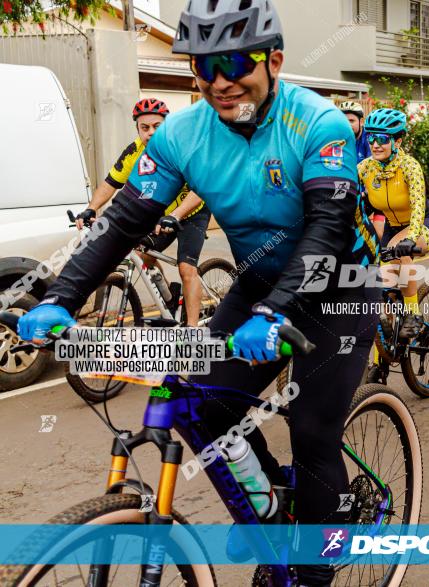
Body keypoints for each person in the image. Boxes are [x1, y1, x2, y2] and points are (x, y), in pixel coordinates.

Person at [18, 1, 379, 584]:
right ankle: (267, 502)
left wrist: (276, 311)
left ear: (275, 60)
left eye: (234, 61)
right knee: (201, 401)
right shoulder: (183, 134)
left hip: (339, 289)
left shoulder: (319, 124)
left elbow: (327, 232)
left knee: (311, 431)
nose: (218, 81)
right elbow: (124, 221)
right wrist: (59, 295)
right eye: (203, 66)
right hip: (260, 287)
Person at [74, 98, 210, 326]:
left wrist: (176, 215)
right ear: (137, 128)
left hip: (193, 210)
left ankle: (192, 331)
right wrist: (91, 208)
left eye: (157, 126)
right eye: (144, 127)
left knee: (186, 268)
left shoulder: (183, 148)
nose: (150, 132)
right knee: (142, 253)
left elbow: (202, 188)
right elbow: (111, 182)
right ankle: (168, 298)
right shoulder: (134, 152)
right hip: (161, 214)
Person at [357, 108, 429, 346]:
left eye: (382, 139)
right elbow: (351, 202)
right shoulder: (366, 168)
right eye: (370, 138)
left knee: (399, 251)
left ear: (397, 140)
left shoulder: (409, 166)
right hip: (392, 227)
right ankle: (381, 361)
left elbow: (417, 207)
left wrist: (411, 237)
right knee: (379, 282)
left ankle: (414, 314)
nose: (375, 144)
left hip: (425, 222)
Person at [339, 100, 385, 238]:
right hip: (352, 193)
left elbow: (374, 169)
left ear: (361, 121)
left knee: (379, 234)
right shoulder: (338, 140)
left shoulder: (370, 139)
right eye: (343, 120)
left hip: (375, 193)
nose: (347, 124)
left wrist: (364, 191)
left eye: (352, 120)